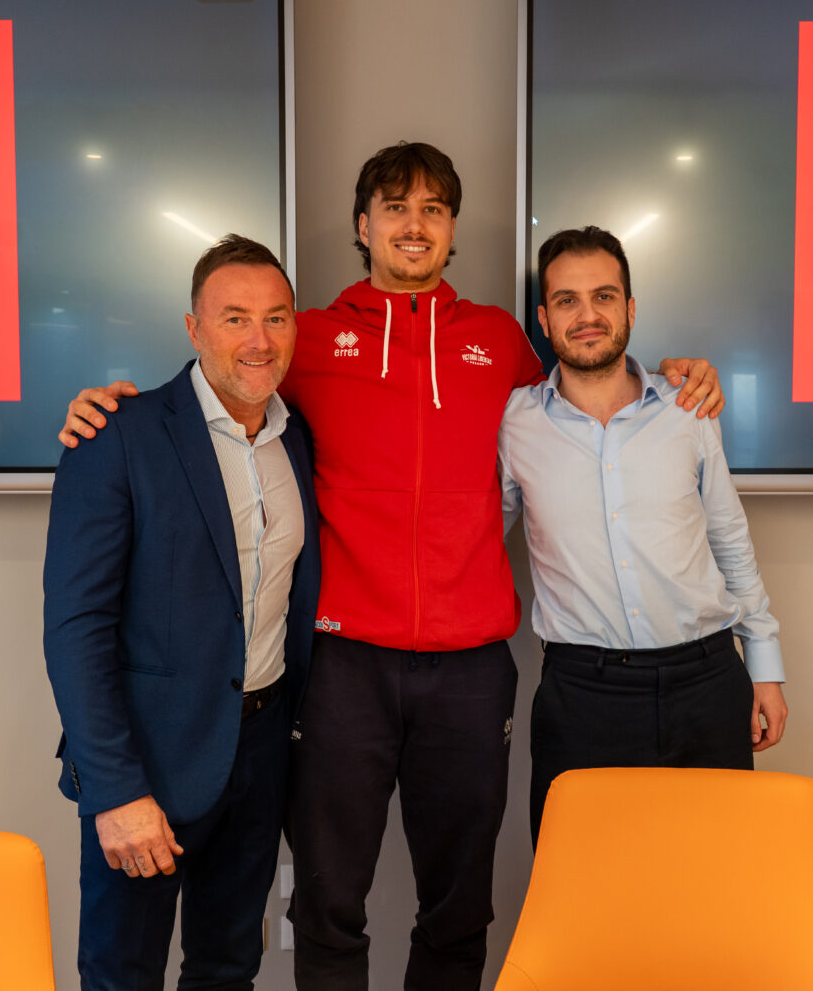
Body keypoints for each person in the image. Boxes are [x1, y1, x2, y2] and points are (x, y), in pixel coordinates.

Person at [57, 144, 724, 991]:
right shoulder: (306, 336)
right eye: (395, 207)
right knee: (327, 904)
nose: (415, 224)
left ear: (451, 229)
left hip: (470, 667)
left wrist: (671, 373)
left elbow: (587, 378)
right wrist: (109, 407)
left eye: (433, 208)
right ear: (362, 225)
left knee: (459, 907)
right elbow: (221, 385)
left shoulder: (499, 340)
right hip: (344, 667)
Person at [44, 235, 320, 990]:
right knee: (121, 974)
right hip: (148, 761)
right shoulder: (116, 434)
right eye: (234, 318)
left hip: (260, 752)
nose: (259, 340)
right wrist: (115, 789)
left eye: (276, 317)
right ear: (194, 329)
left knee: (229, 968)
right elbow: (76, 629)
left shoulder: (297, 439)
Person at [498, 225, 788, 846]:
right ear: (545, 320)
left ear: (629, 309)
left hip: (707, 683)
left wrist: (765, 666)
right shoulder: (513, 424)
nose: (587, 316)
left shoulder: (689, 407)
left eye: (603, 296)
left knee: (712, 878)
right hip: (582, 694)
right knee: (583, 881)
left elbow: (731, 542)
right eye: (567, 300)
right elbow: (472, 537)